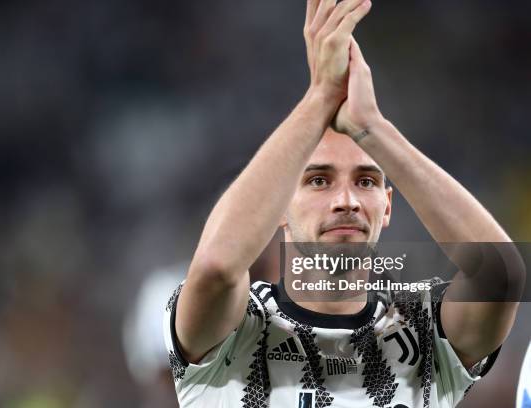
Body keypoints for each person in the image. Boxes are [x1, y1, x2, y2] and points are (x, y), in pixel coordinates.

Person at [163, 0, 522, 406]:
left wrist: (373, 129)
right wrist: (319, 98)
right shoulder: (234, 329)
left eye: (366, 181)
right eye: (319, 180)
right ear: (279, 204)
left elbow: (500, 275)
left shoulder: (421, 330)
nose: (346, 201)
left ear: (387, 206)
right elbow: (215, 267)